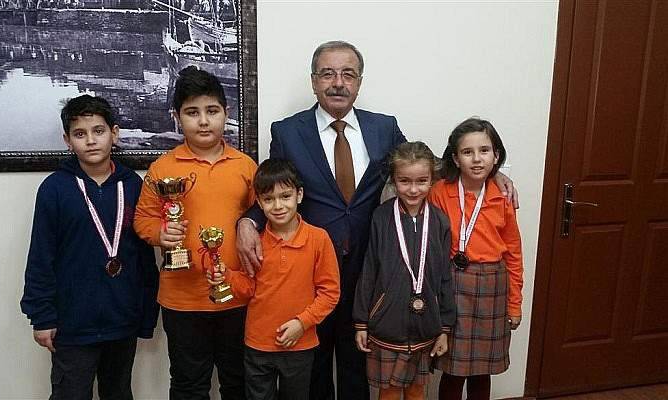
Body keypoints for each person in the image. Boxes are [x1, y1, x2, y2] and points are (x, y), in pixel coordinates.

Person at [236, 40, 518, 400]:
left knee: (358, 361)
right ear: (313, 80)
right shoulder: (288, 131)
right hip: (310, 267)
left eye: (348, 74)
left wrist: (490, 175)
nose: (338, 83)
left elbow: (424, 166)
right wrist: (248, 222)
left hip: (369, 266)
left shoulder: (383, 127)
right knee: (313, 363)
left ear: (359, 81)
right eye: (328, 74)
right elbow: (274, 185)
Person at [20, 94, 159, 400]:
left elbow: (144, 257)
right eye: (80, 134)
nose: (91, 141)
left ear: (115, 133)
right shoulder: (55, 189)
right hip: (72, 324)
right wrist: (42, 317)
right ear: (68, 141)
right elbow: (41, 257)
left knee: (119, 393)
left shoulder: (133, 186)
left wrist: (147, 312)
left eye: (98, 131)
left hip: (122, 319)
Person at [134, 66, 257, 400]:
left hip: (238, 293)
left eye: (212, 111)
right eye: (192, 113)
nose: (203, 121)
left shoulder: (245, 166)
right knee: (189, 384)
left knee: (239, 381)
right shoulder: (163, 168)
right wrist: (161, 234)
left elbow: (260, 218)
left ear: (226, 114)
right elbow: (143, 219)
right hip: (182, 297)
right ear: (177, 118)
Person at [209, 158, 341, 400]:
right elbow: (248, 288)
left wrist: (302, 323)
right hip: (258, 344)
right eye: (269, 199)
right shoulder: (254, 243)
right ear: (259, 202)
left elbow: (330, 293)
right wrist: (225, 276)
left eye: (285, 196)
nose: (278, 206)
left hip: (300, 344)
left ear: (299, 195)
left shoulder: (319, 239)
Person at [352, 141, 456, 400]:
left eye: (422, 181)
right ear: (394, 180)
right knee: (388, 390)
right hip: (386, 324)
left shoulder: (440, 221)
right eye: (404, 181)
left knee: (417, 391)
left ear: (432, 180)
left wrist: (445, 327)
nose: (413, 189)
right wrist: (361, 322)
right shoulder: (380, 217)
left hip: (426, 325)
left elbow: (445, 276)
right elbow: (369, 271)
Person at [429, 118, 523, 400]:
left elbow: (513, 253)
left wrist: (514, 303)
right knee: (453, 368)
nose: (477, 158)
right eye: (467, 152)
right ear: (455, 159)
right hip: (452, 284)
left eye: (484, 150)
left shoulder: (503, 196)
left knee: (483, 370)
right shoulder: (440, 192)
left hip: (493, 286)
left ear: (496, 155)